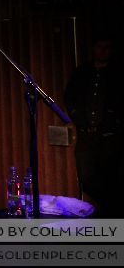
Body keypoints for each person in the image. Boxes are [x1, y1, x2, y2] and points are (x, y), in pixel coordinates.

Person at [64, 35, 122, 217]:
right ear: (93, 48)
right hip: (86, 135)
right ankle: (108, 210)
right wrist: (78, 118)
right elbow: (69, 96)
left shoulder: (117, 72)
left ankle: (110, 216)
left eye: (107, 47)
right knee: (87, 177)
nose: (103, 51)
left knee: (111, 177)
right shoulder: (82, 72)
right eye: (99, 46)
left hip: (110, 137)